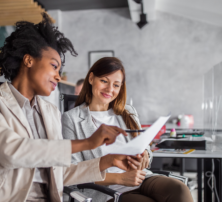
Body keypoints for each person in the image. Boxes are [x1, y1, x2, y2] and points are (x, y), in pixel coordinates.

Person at [0, 14, 136, 202]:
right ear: (29, 60)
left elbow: (60, 173)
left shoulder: (50, 112)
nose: (58, 76)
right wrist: (87, 143)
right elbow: (11, 152)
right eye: (54, 66)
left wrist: (108, 161)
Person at [62, 57, 193, 202]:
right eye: (104, 81)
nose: (110, 89)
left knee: (179, 189)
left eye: (116, 85)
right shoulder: (71, 119)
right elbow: (71, 173)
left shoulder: (128, 112)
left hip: (140, 177)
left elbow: (146, 149)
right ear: (91, 78)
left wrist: (145, 158)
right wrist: (120, 178)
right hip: (105, 190)